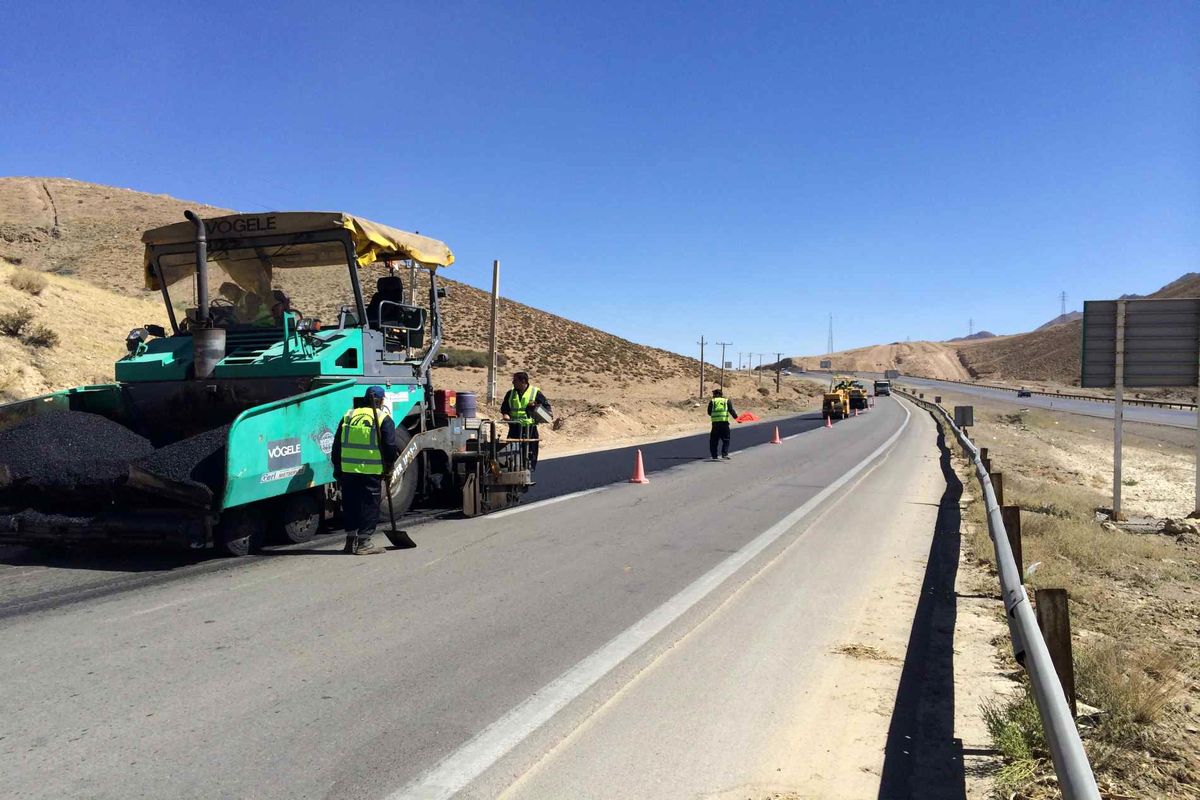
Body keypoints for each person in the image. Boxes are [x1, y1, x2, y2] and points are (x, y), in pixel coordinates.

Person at [331, 386, 400, 555]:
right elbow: (390, 446)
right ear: (381, 401)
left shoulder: (349, 415)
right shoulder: (383, 418)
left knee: (350, 504)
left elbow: (337, 445)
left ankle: (350, 541)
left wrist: (338, 467)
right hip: (371, 469)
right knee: (369, 505)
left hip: (348, 469)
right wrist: (389, 466)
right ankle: (364, 543)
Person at [500, 371, 551, 470]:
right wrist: (505, 414)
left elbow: (546, 408)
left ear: (523, 381)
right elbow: (504, 407)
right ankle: (513, 468)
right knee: (511, 450)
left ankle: (528, 468)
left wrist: (536, 408)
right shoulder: (510, 393)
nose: (513, 382)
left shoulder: (535, 392)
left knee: (530, 450)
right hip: (514, 427)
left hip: (529, 428)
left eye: (515, 380)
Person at [707, 388, 738, 461]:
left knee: (714, 440)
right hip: (724, 424)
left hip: (715, 424)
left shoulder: (713, 401)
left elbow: (709, 412)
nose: (713, 396)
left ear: (716, 394)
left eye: (713, 394)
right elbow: (731, 410)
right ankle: (724, 454)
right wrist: (736, 418)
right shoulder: (726, 401)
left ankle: (714, 456)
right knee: (726, 439)